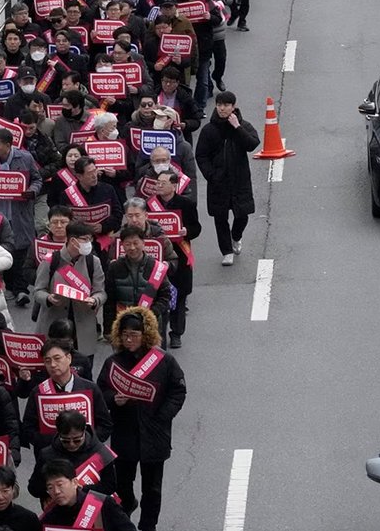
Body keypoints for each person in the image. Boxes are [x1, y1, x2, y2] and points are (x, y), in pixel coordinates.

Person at [97, 308, 186, 531]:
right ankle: (126, 514)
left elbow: (178, 391)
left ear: (145, 334)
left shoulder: (164, 361)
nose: (129, 340)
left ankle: (148, 526)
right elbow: (101, 392)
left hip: (154, 434)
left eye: (134, 335)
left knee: (152, 489)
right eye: (125, 334)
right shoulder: (113, 362)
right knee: (123, 487)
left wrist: (164, 416)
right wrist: (113, 400)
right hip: (125, 433)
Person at [0, 128, 43, 307]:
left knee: (21, 251)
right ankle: (3, 286)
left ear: (8, 145)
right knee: (0, 250)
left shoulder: (26, 158)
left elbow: (37, 179)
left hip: (19, 213)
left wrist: (32, 191)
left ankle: (21, 290)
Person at [194, 91, 260, 266]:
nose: (222, 108)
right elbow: (201, 155)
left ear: (233, 106)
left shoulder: (243, 125)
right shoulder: (209, 130)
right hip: (218, 182)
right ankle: (226, 251)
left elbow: (252, 144)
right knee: (220, 217)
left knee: (243, 214)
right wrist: (211, 175)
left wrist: (237, 127)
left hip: (240, 180)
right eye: (219, 105)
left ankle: (236, 236)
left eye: (226, 105)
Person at [21, 339, 112, 453]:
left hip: (85, 455)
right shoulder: (38, 392)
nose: (53, 364)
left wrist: (86, 442)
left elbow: (105, 424)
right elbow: (28, 428)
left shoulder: (90, 389)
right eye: (47, 361)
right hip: (52, 458)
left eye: (57, 358)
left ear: (69, 358)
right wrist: (52, 443)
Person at [32, 222, 106, 357]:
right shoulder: (51, 260)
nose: (89, 243)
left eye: (90, 239)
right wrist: (48, 298)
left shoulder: (93, 262)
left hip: (83, 325)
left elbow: (101, 291)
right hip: (55, 323)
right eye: (85, 239)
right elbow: (38, 291)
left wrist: (95, 300)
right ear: (73, 240)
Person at [152, 170, 201, 348]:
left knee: (179, 294)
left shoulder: (186, 204)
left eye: (163, 183)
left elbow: (196, 227)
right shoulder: (150, 205)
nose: (159, 186)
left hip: (180, 255)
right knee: (159, 295)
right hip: (157, 256)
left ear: (174, 185)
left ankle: (177, 333)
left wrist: (186, 231)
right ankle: (159, 334)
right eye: (157, 183)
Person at [103, 226, 172, 342]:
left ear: (143, 243)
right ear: (122, 245)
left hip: (150, 325)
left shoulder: (156, 267)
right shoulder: (115, 267)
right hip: (124, 325)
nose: (132, 247)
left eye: (136, 243)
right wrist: (108, 328)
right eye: (128, 244)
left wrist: (151, 313)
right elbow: (109, 300)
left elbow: (165, 296)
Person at [27, 410, 116, 500]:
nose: (71, 444)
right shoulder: (47, 455)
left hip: (91, 506)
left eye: (77, 440)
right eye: (65, 441)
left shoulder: (100, 452)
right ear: (58, 433)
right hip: (59, 507)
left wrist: (80, 489)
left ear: (84, 431)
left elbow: (110, 487)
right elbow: (34, 489)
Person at [39, 459, 136, 531]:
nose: (56, 491)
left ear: (75, 482)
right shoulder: (49, 519)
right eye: (50, 488)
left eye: (60, 485)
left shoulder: (102, 503)